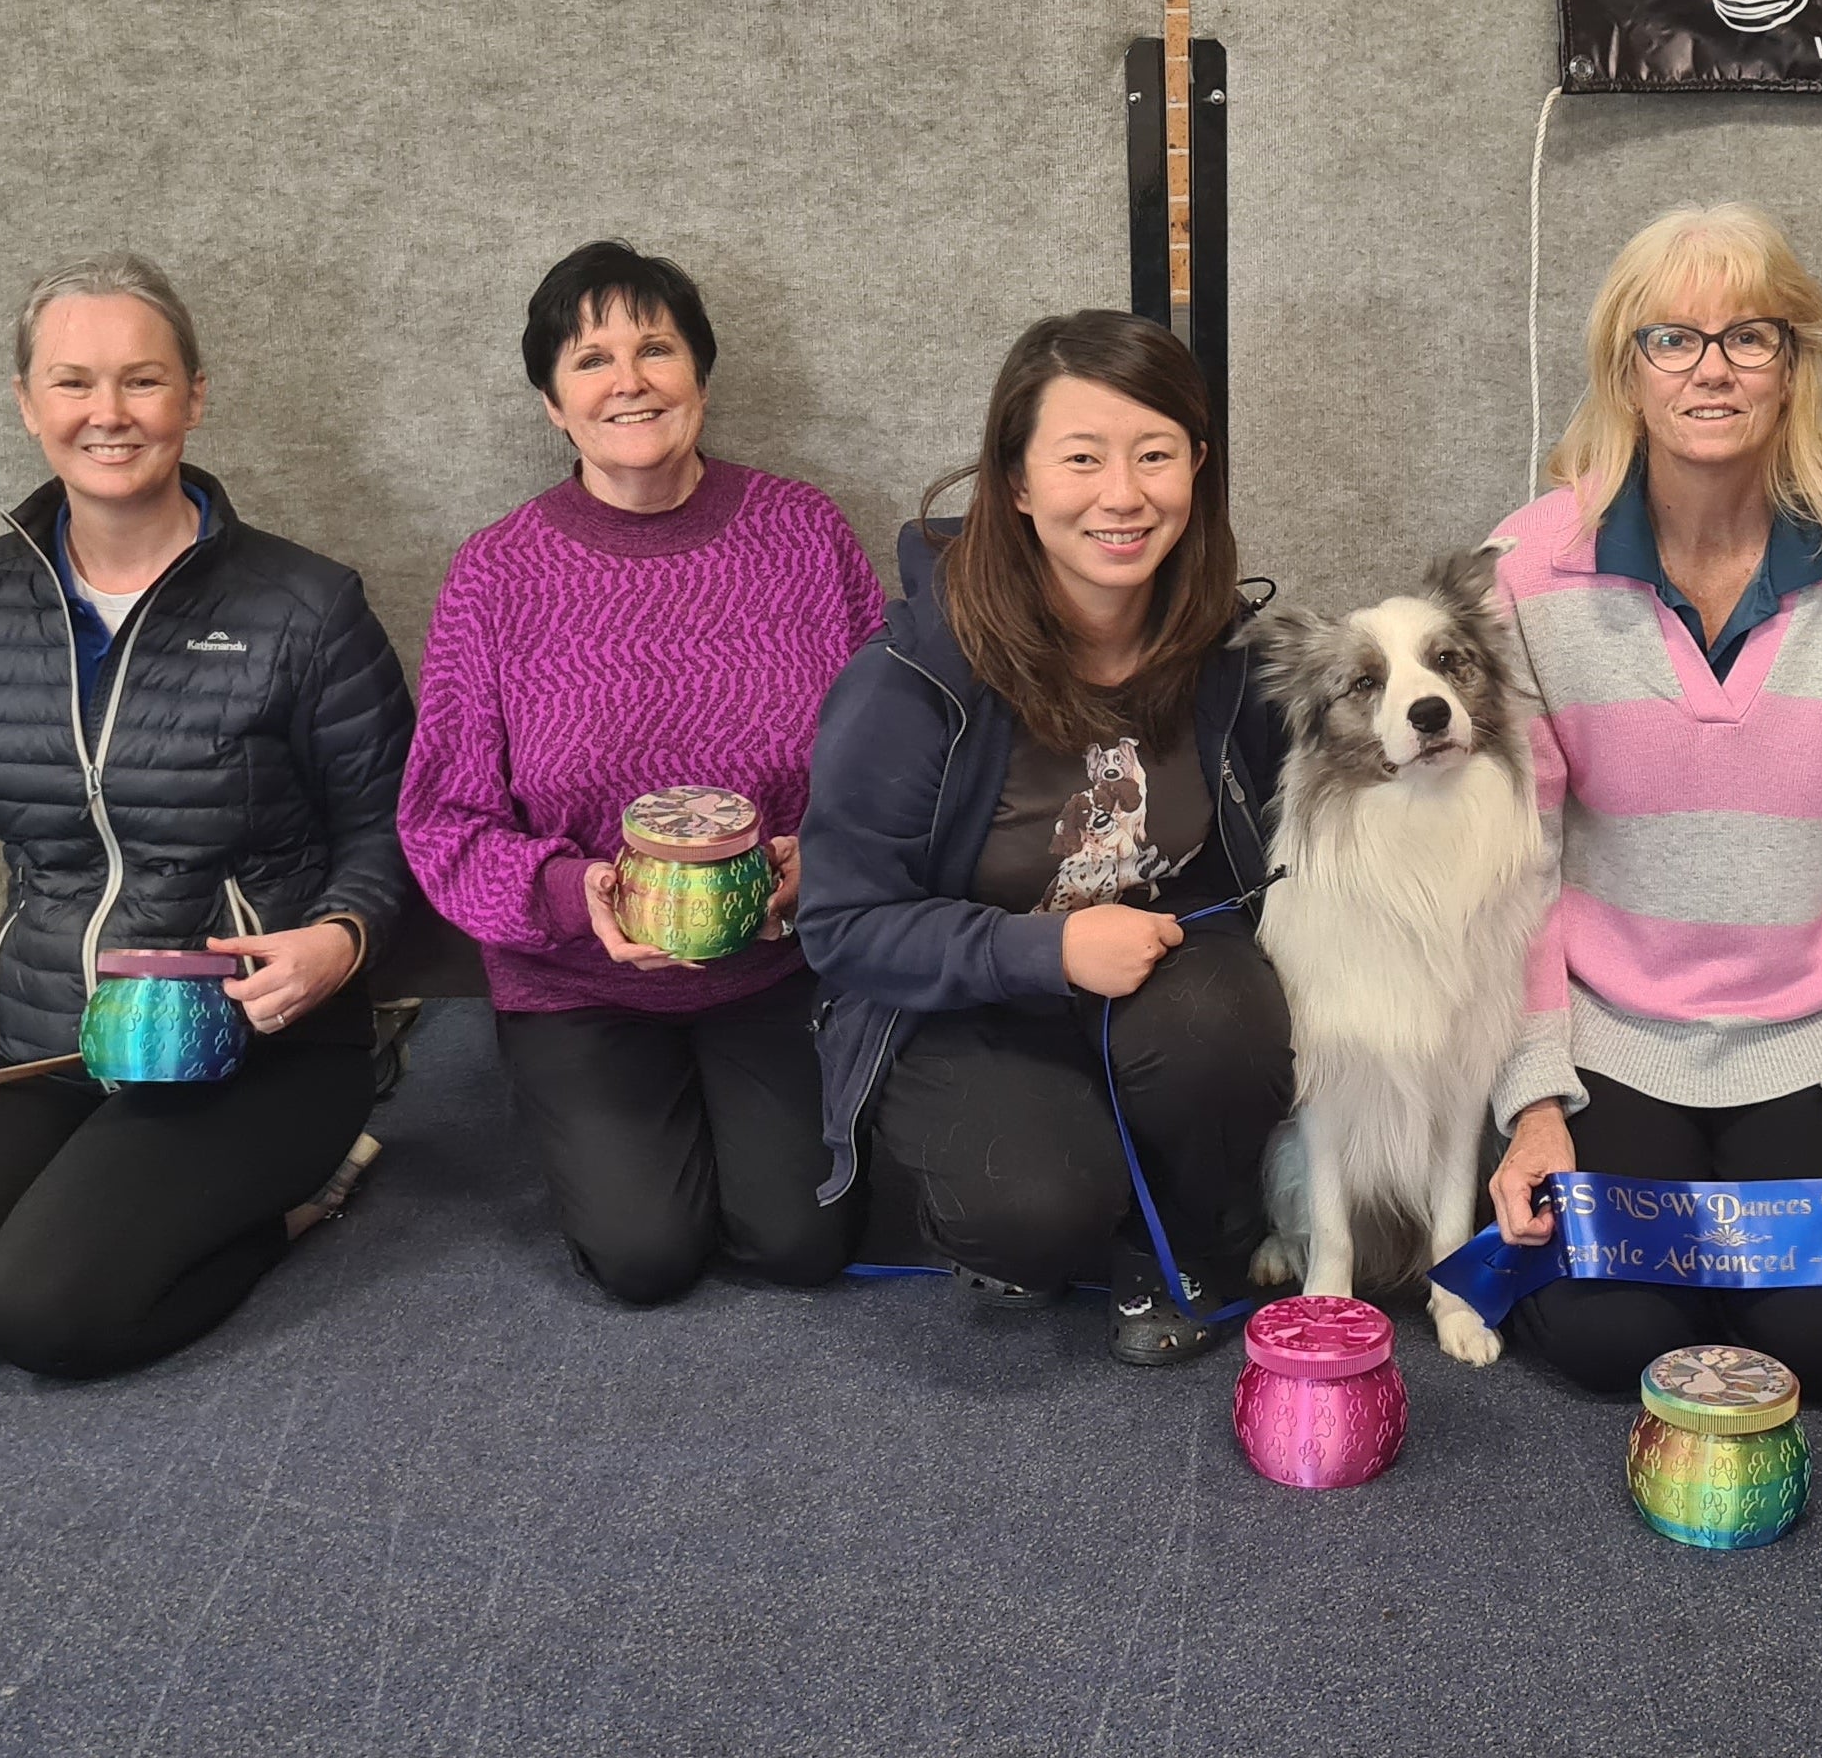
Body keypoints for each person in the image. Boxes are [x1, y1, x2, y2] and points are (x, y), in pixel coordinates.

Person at [1481, 203, 1822, 1404]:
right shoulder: (1529, 567)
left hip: (1806, 1038)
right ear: (1622, 370)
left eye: (1751, 337)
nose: (1711, 368)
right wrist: (1534, 1098)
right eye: (1671, 339)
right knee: (1607, 1340)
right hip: (1608, 1035)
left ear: (1794, 365)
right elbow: (1515, 863)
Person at [0, 257, 412, 1376]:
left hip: (253, 1046)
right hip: (42, 1041)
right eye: (73, 382)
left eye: (142, 381)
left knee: (50, 1316)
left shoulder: (306, 605)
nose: (108, 413)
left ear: (194, 394)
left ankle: (299, 1198)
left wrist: (339, 942)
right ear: (26, 401)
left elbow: (394, 828)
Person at [397, 241, 885, 1305]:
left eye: (656, 348)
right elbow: (444, 819)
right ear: (551, 404)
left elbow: (890, 763)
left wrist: (824, 868)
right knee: (644, 1258)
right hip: (578, 981)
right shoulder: (495, 574)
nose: (629, 380)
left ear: (698, 378)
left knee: (801, 1245)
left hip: (774, 962)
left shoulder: (804, 535)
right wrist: (582, 896)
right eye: (590, 359)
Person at [799, 312, 1291, 1367]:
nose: (1124, 495)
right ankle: (1103, 1219)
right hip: (967, 1001)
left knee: (1234, 1028)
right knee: (1030, 1208)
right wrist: (1044, 951)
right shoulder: (911, 676)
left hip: (1162, 981)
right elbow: (841, 925)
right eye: (1082, 459)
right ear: (1015, 483)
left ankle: (1181, 1216)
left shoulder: (1226, 651)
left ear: (1196, 469)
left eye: (1155, 455)